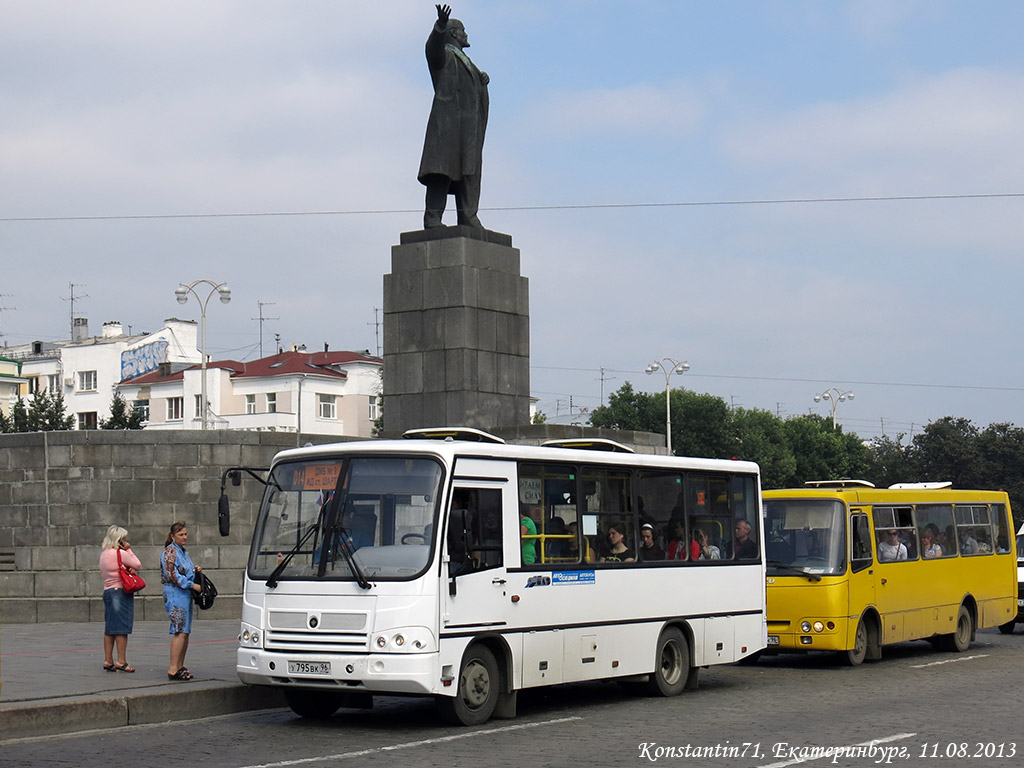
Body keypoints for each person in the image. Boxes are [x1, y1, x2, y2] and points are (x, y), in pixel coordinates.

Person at [418, 4, 490, 229]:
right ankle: (433, 218)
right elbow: (432, 49)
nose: (466, 34)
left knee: (469, 173)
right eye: (462, 30)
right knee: (442, 171)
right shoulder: (444, 54)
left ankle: (468, 217)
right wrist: (439, 26)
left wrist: (481, 80)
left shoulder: (467, 61)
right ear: (453, 34)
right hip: (448, 125)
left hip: (469, 128)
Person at [161, 521, 203, 681]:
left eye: (185, 534)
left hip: (184, 594)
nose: (185, 537)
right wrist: (193, 585)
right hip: (175, 593)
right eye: (181, 534)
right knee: (179, 630)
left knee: (185, 631)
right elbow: (173, 575)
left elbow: (184, 571)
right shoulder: (170, 552)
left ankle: (180, 665)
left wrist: (195, 571)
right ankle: (173, 668)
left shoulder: (182, 552)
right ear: (173, 536)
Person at [98, 525, 141, 672]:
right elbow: (137, 564)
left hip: (108, 591)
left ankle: (108, 660)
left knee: (110, 628)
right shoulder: (119, 553)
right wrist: (128, 549)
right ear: (120, 540)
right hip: (120, 592)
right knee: (122, 627)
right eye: (124, 539)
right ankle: (121, 661)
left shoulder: (104, 554)